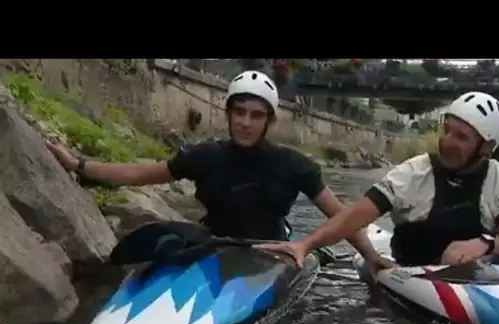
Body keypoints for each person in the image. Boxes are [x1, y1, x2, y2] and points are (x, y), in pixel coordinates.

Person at [45, 70, 379, 258]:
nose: (246, 122)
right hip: (211, 247)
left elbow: (342, 217)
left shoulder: (295, 165)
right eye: (239, 112)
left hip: (271, 252)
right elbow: (138, 173)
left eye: (256, 115)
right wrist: (79, 165)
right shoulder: (204, 156)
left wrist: (374, 260)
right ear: (229, 114)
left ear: (269, 122)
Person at [256, 91, 499, 275]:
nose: (447, 142)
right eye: (446, 130)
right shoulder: (414, 172)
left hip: (474, 279)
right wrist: (304, 245)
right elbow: (354, 216)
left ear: (486, 146)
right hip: (413, 272)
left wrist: (487, 245)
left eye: (462, 137)